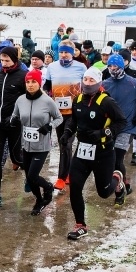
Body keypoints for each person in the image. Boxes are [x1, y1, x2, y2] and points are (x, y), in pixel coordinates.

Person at [62, 68, 128, 240]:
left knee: (104, 192)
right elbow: (74, 120)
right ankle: (80, 225)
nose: (87, 83)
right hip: (82, 152)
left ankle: (117, 179)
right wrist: (67, 132)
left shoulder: (106, 102)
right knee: (75, 187)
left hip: (103, 153)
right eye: (85, 79)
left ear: (99, 82)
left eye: (91, 80)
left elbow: (122, 121)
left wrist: (103, 133)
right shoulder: (77, 99)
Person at [101, 55, 136, 203]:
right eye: (110, 66)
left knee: (117, 160)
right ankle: (126, 184)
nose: (112, 69)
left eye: (115, 66)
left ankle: (119, 192)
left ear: (122, 67)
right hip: (110, 127)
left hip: (127, 127)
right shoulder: (105, 84)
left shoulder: (133, 83)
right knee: (108, 159)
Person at [10, 69, 62, 215]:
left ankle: (48, 187)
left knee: (33, 175)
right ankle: (39, 200)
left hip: (42, 146)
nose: (30, 84)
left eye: (34, 82)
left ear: (39, 83)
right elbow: (15, 115)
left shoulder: (47, 101)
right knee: (29, 177)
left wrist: (49, 126)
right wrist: (13, 120)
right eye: (28, 82)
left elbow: (59, 118)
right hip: (26, 145)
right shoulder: (20, 100)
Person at [0, 46, 26, 208]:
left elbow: (27, 100)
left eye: (7, 60)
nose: (4, 63)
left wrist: (17, 117)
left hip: (14, 123)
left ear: (14, 59)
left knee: (16, 158)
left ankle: (32, 178)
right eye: (2, 60)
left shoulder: (23, 75)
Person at [43, 44, 86, 191]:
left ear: (72, 53)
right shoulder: (52, 67)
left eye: (66, 52)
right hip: (58, 113)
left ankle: (61, 177)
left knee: (66, 142)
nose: (63, 55)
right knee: (63, 144)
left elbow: (87, 87)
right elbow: (47, 86)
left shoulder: (81, 67)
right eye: (61, 52)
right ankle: (67, 171)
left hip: (74, 112)